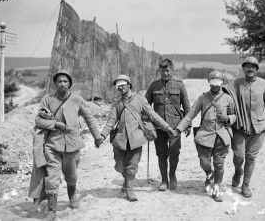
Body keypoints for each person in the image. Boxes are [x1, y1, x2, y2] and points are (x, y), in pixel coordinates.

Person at [35, 70, 103, 220]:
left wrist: (97, 137)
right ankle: (52, 209)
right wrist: (55, 124)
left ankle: (72, 196)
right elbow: (38, 121)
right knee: (51, 177)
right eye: (59, 81)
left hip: (72, 146)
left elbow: (89, 118)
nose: (62, 84)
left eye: (65, 81)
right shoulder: (47, 99)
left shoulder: (76, 100)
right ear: (55, 84)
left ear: (70, 84)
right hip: (52, 146)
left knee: (71, 176)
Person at [98, 74, 175, 202]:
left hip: (136, 139)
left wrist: (167, 127)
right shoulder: (117, 104)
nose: (120, 87)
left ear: (129, 85)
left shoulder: (140, 100)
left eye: (123, 84)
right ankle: (127, 180)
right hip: (120, 140)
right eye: (118, 85)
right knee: (119, 166)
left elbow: (153, 115)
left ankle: (129, 188)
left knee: (132, 166)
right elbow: (110, 122)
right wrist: (102, 135)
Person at [223, 56, 265, 198]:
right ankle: (238, 171)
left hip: (258, 129)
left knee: (251, 157)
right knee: (239, 156)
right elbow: (223, 95)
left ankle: (246, 185)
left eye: (253, 67)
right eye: (247, 66)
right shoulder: (235, 84)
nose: (250, 69)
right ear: (243, 68)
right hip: (239, 127)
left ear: (256, 69)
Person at [174, 70, 236, 202]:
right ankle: (209, 174)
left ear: (221, 83)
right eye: (212, 83)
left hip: (221, 136)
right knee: (204, 162)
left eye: (217, 83)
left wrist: (228, 118)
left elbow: (234, 116)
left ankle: (217, 186)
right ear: (208, 83)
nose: (214, 86)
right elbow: (190, 115)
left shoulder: (228, 98)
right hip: (204, 135)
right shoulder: (202, 98)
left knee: (219, 164)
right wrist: (179, 129)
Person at [145, 58, 190, 191]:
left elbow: (187, 106)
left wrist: (188, 125)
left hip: (175, 126)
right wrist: (146, 121)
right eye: (163, 70)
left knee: (175, 152)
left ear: (172, 70)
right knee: (161, 154)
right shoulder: (154, 86)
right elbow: (145, 105)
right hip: (158, 127)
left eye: (168, 70)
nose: (165, 73)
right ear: (160, 71)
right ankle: (164, 180)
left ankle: (172, 176)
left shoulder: (179, 85)